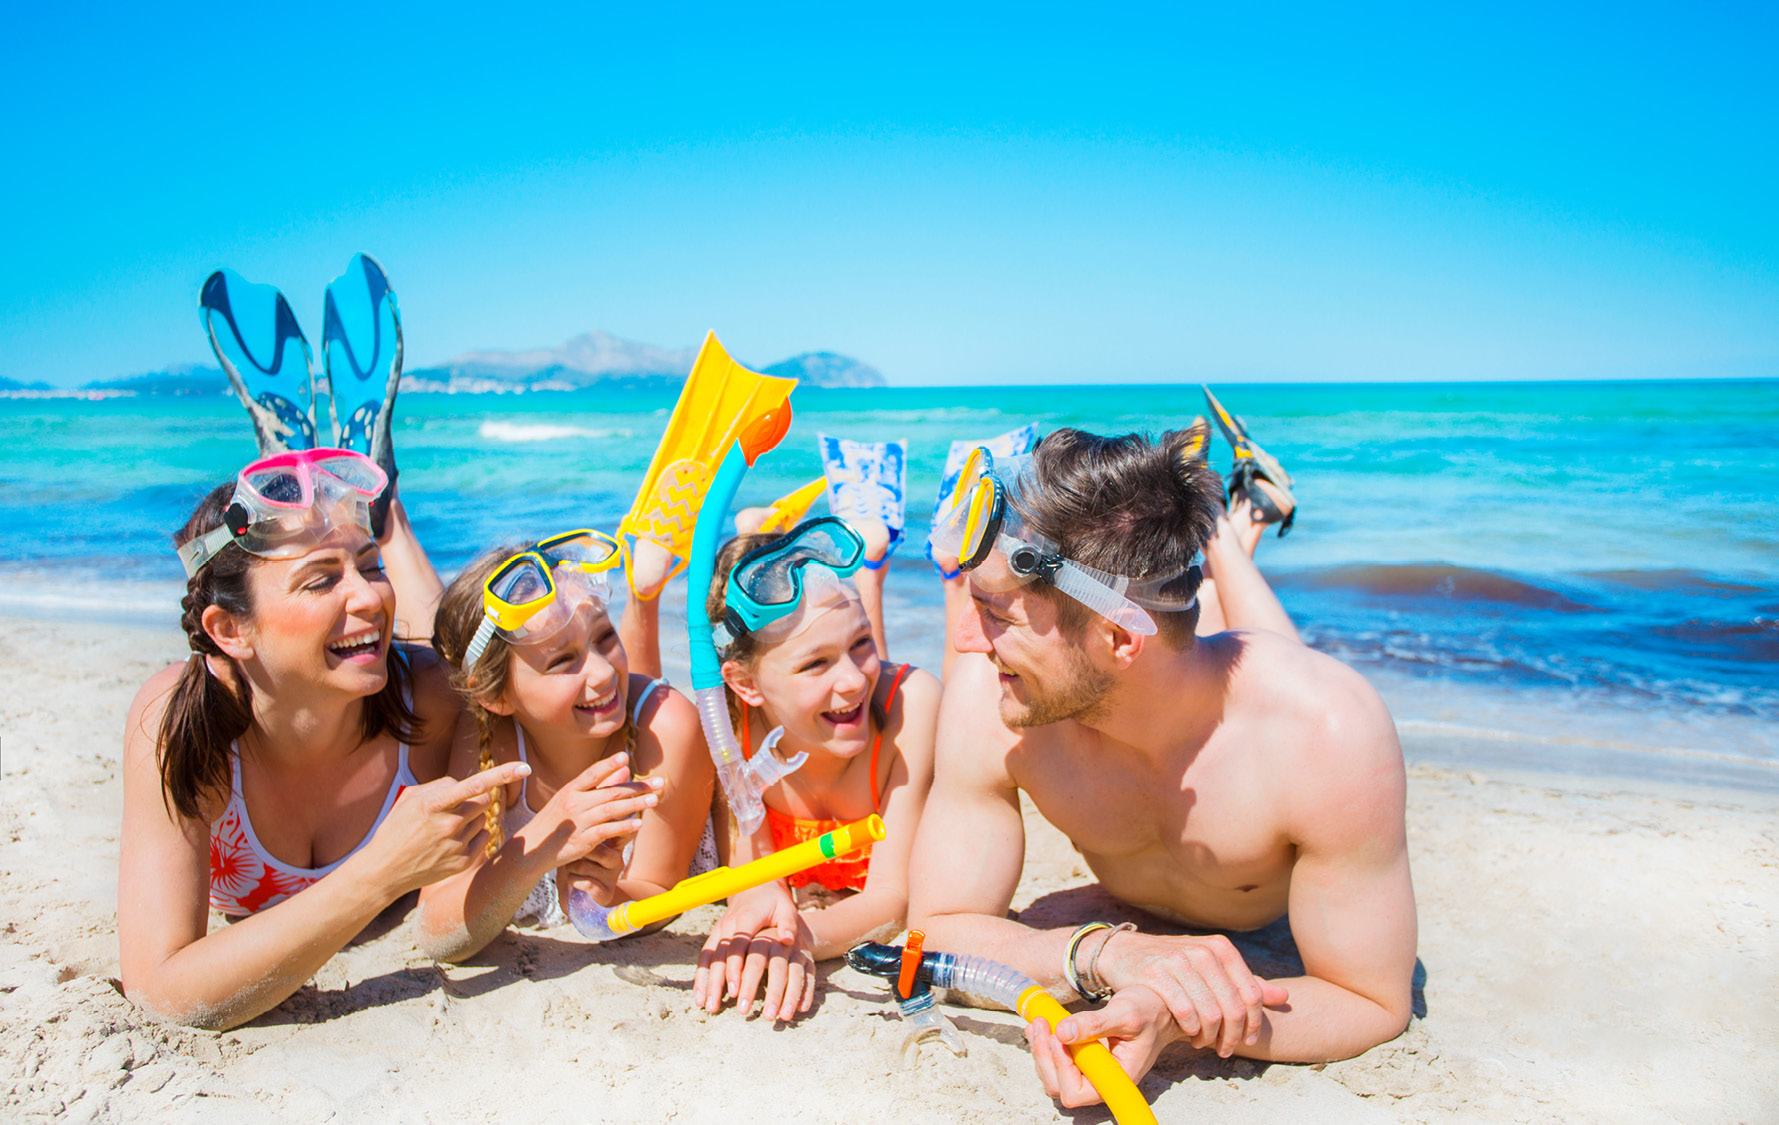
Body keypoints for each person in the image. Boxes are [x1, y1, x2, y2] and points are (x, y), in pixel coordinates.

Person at [906, 425, 1416, 1109]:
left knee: (1264, 643)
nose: (967, 642)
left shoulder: (1324, 732)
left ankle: (1229, 526)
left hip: (1233, 692)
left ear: (1115, 635)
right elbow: (929, 929)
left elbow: (1369, 999)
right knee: (1201, 632)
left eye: (997, 615)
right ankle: (1208, 513)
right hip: (1157, 666)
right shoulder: (991, 701)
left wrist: (1180, 1018)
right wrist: (1103, 955)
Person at [118, 451, 525, 1029]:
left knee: (458, 648)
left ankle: (392, 526)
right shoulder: (182, 728)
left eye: (371, 566)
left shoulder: (435, 701)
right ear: (230, 630)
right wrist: (380, 873)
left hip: (426, 671)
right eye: (320, 580)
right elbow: (163, 990)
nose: (368, 596)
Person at [416, 531, 718, 956]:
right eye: (562, 660)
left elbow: (660, 889)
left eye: (605, 639)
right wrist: (541, 844)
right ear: (494, 697)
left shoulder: (668, 726)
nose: (601, 672)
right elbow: (437, 932)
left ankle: (643, 594)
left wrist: (602, 897)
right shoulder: (490, 740)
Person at [691, 518, 941, 1022]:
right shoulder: (724, 732)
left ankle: (876, 572)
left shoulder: (908, 709)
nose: (851, 679)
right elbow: (753, 877)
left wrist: (798, 936)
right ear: (744, 685)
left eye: (860, 644)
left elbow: (892, 899)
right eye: (815, 664)